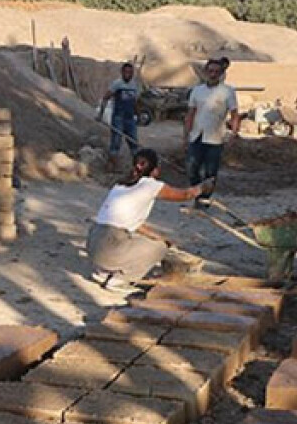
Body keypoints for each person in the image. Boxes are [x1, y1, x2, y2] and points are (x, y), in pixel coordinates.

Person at [87, 148, 212, 291]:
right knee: (159, 249)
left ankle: (102, 273)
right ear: (155, 171)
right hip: (110, 244)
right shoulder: (151, 185)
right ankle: (120, 280)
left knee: (156, 243)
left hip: (94, 242)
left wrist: (161, 238)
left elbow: (136, 224)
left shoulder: (121, 184)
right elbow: (186, 195)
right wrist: (203, 187)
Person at [184, 58, 238, 206]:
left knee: (210, 171)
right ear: (206, 72)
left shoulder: (228, 92)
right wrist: (185, 135)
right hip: (196, 136)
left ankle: (204, 198)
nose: (213, 74)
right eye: (210, 71)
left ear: (221, 74)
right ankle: (197, 192)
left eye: (216, 72)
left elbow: (234, 114)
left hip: (215, 138)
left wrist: (233, 134)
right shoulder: (197, 91)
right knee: (191, 167)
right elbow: (190, 113)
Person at [97, 62, 140, 170]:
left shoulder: (134, 85)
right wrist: (100, 114)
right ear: (122, 72)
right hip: (118, 118)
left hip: (130, 119)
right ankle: (111, 166)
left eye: (130, 72)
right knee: (116, 142)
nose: (127, 74)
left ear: (132, 74)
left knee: (134, 143)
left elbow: (135, 102)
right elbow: (106, 97)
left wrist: (137, 115)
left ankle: (138, 168)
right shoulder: (117, 84)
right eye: (125, 72)